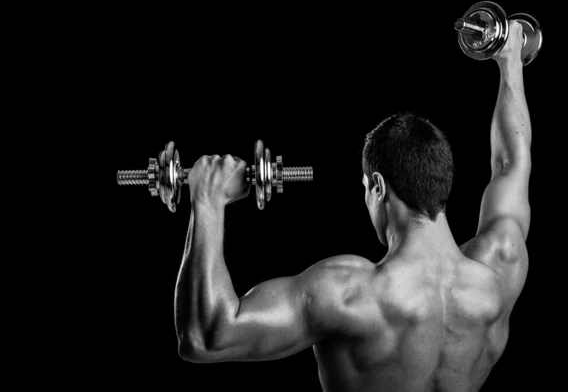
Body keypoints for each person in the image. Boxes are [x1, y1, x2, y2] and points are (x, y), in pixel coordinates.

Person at [174, 21, 531, 392]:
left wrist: (208, 199)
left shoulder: (348, 293)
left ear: (378, 186)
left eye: (365, 187)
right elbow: (511, 164)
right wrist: (511, 62)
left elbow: (207, 337)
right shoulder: (499, 269)